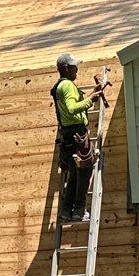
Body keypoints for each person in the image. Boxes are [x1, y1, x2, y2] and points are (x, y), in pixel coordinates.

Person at [51, 54, 107, 221]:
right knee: (84, 170)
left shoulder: (60, 86)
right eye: (74, 66)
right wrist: (91, 100)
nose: (77, 69)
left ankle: (66, 210)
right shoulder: (67, 85)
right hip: (77, 134)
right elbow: (72, 109)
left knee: (74, 173)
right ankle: (79, 210)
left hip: (68, 135)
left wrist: (91, 93)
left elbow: (71, 107)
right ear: (66, 68)